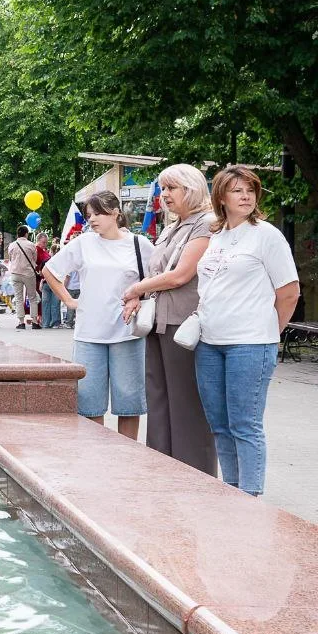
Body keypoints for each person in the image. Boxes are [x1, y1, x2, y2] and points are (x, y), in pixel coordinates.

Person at [190, 167, 300, 496]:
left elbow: (289, 293)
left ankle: (250, 497)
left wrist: (269, 333)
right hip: (209, 343)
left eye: (251, 190)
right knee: (220, 425)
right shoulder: (217, 236)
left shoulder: (267, 235)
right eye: (237, 190)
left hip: (250, 344)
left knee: (244, 424)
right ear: (221, 197)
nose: (246, 196)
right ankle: (231, 493)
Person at [117, 165, 217, 474]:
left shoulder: (206, 224)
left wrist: (135, 289)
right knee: (159, 399)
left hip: (183, 323)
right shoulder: (173, 227)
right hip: (159, 322)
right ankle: (161, 469)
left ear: (192, 189)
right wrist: (140, 295)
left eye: (172, 188)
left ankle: (194, 474)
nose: (164, 195)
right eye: (163, 188)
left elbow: (181, 275)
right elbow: (158, 274)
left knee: (186, 403)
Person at [43, 191, 154, 440]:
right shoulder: (84, 243)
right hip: (89, 333)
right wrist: (69, 300)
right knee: (89, 403)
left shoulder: (139, 244)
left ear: (115, 213)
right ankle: (96, 453)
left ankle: (127, 452)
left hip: (127, 332)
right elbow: (50, 270)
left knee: (129, 403)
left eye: (98, 213)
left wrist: (139, 294)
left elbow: (156, 276)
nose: (92, 219)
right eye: (88, 215)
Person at [6, 225, 41, 329]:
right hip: (28, 273)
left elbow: (11, 258)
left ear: (17, 234)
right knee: (32, 297)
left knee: (18, 298)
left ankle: (21, 322)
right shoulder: (31, 245)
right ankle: (34, 321)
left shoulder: (12, 245)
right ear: (26, 234)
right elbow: (34, 259)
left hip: (15, 273)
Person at [36, 234, 60, 327]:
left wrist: (43, 279)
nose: (45, 244)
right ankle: (55, 323)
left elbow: (41, 272)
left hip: (45, 283)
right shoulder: (59, 262)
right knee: (54, 303)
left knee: (45, 303)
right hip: (55, 283)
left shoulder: (45, 260)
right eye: (44, 242)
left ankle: (46, 323)